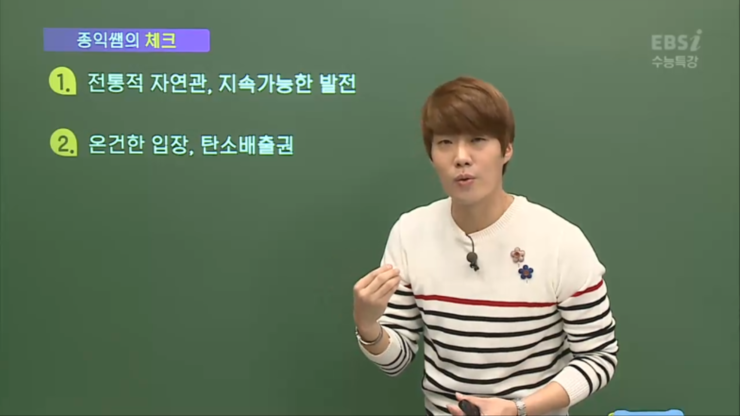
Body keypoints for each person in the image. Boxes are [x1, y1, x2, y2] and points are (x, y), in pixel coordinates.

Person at [352, 76, 618, 416]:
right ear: (431, 155)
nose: (461, 158)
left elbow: (599, 356)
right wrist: (368, 327)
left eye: (477, 140)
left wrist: (518, 409)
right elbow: (396, 361)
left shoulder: (559, 241)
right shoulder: (410, 233)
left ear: (506, 149)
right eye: (445, 143)